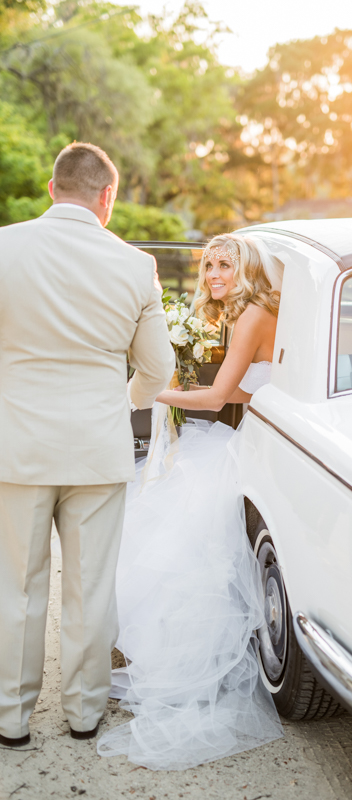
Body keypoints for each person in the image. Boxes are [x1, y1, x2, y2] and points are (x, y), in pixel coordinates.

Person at [0, 142, 175, 747]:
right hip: (97, 449)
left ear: (51, 189)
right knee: (89, 586)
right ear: (108, 197)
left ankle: (10, 718)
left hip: (16, 445)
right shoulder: (134, 265)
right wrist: (119, 401)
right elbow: (158, 368)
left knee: (15, 587)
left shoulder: (3, 247)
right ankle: (81, 713)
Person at [97, 234, 285, 771]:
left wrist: (150, 391)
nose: (212, 274)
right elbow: (250, 390)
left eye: (225, 264)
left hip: (255, 443)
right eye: (207, 265)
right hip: (254, 428)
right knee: (162, 504)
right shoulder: (246, 313)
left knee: (164, 516)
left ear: (246, 269)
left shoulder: (250, 316)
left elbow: (217, 398)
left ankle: (172, 654)